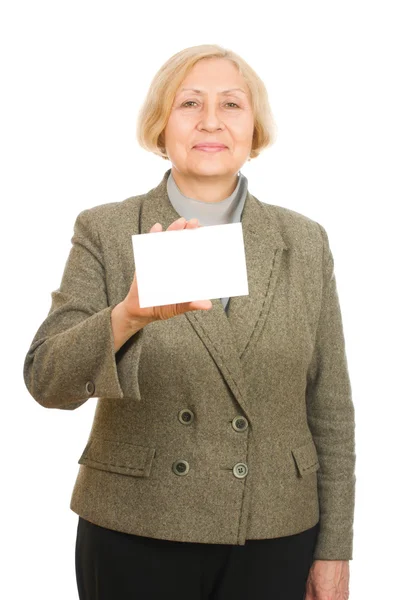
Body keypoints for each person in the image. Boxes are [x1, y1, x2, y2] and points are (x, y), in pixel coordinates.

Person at [23, 44, 355, 600]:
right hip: (137, 529)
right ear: (161, 124)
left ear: (254, 129)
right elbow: (46, 381)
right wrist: (126, 317)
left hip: (274, 530)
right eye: (189, 103)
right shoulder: (105, 229)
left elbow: (331, 405)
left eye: (231, 104)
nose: (210, 121)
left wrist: (335, 548)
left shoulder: (304, 240)